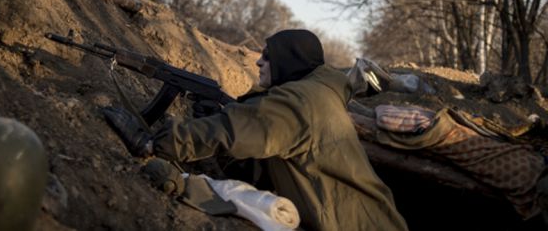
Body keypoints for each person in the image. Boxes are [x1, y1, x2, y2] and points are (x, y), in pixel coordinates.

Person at [105, 29, 408, 231]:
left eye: (268, 55)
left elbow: (232, 130)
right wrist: (215, 121)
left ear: (289, 61)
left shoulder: (300, 101)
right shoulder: (317, 93)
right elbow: (263, 168)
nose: (259, 61)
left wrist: (154, 143)